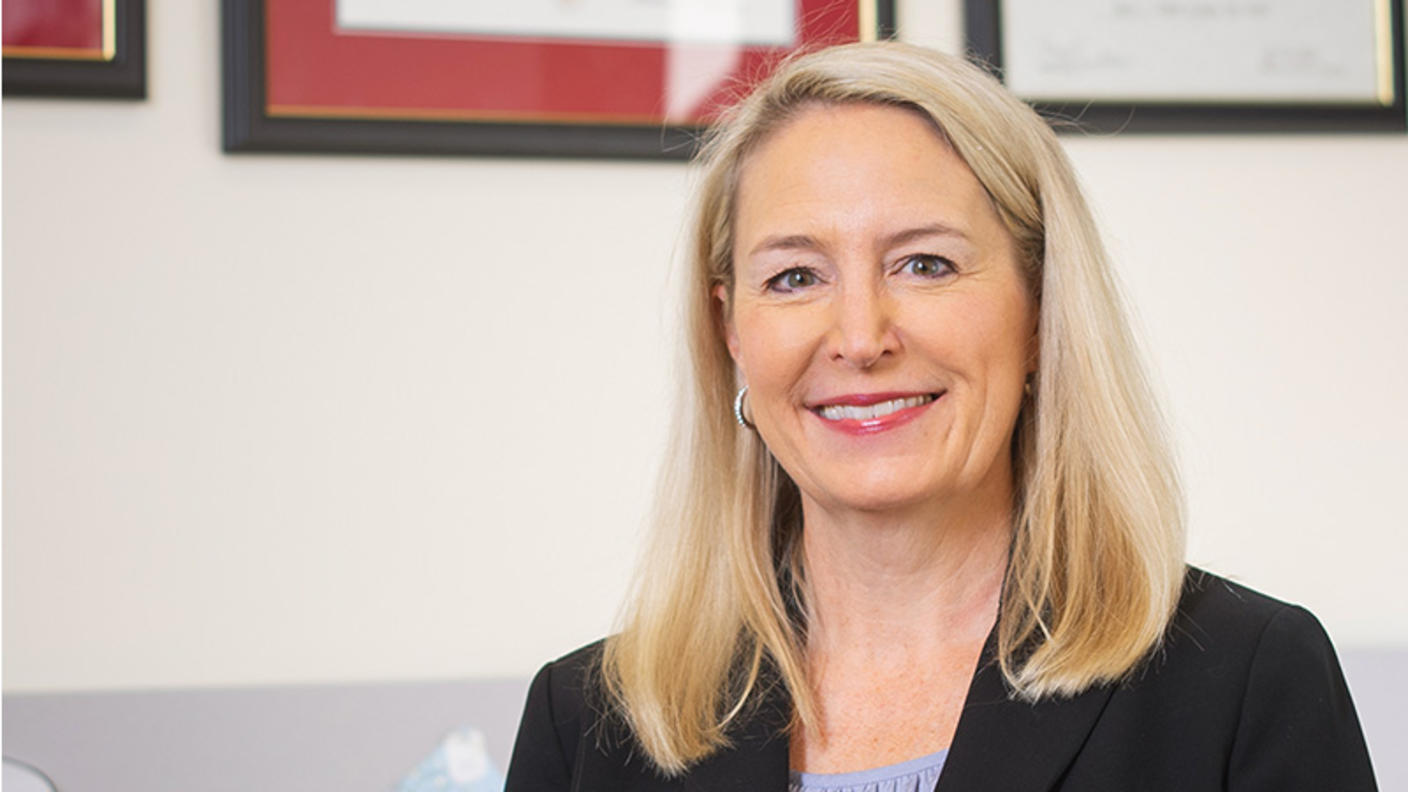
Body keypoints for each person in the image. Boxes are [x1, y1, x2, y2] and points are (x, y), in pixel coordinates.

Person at [503, 42, 1377, 791]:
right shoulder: (586, 724)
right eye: (796, 277)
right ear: (731, 329)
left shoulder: (1243, 680)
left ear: (1040, 312)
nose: (859, 337)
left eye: (924, 264)